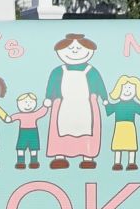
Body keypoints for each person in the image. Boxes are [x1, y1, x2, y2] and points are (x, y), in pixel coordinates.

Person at [43, 33, 107, 168]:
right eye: (70, 49)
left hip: (86, 105)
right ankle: (60, 156)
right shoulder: (58, 71)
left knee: (87, 131)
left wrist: (105, 98)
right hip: (63, 105)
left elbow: (99, 85)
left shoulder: (91, 70)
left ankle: (88, 157)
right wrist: (49, 98)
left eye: (79, 48)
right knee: (60, 130)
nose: (75, 52)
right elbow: (52, 85)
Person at [105, 76, 140, 170]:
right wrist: (107, 105)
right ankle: (117, 163)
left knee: (131, 145)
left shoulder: (134, 104)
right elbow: (110, 111)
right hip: (119, 127)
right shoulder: (118, 105)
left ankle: (131, 163)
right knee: (117, 146)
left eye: (130, 88)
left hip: (130, 126)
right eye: (125, 88)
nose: (127, 90)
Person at [8, 93, 49, 169]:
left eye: (30, 102)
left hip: (33, 132)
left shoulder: (34, 114)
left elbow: (41, 112)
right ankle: (20, 162)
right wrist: (9, 118)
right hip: (23, 133)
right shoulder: (20, 115)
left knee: (34, 148)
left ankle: (34, 162)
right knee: (20, 148)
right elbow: (13, 117)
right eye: (25, 102)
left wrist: (45, 106)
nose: (28, 105)